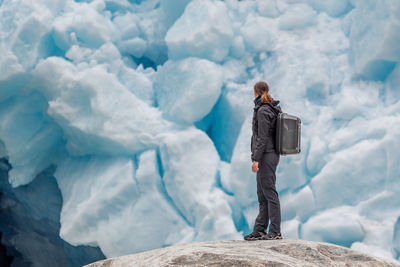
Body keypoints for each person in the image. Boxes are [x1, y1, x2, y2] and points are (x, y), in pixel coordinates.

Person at [244, 81, 283, 241]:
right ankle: (260, 229)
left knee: (269, 193)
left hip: (266, 155)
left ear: (256, 93)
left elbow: (262, 137)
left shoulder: (263, 111)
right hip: (269, 154)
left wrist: (256, 159)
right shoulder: (269, 109)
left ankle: (275, 231)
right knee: (262, 194)